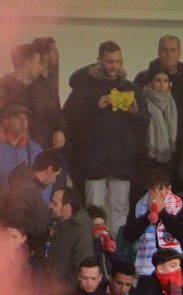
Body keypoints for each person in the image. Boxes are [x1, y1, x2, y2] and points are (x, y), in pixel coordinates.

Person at [62, 41, 144, 236]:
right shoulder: (84, 88)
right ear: (99, 60)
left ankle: (116, 252)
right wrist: (94, 106)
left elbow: (145, 120)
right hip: (94, 159)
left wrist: (135, 112)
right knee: (94, 208)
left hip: (122, 159)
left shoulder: (129, 87)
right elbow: (69, 117)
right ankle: (93, 250)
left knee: (119, 209)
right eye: (109, 61)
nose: (114, 66)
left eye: (117, 61)